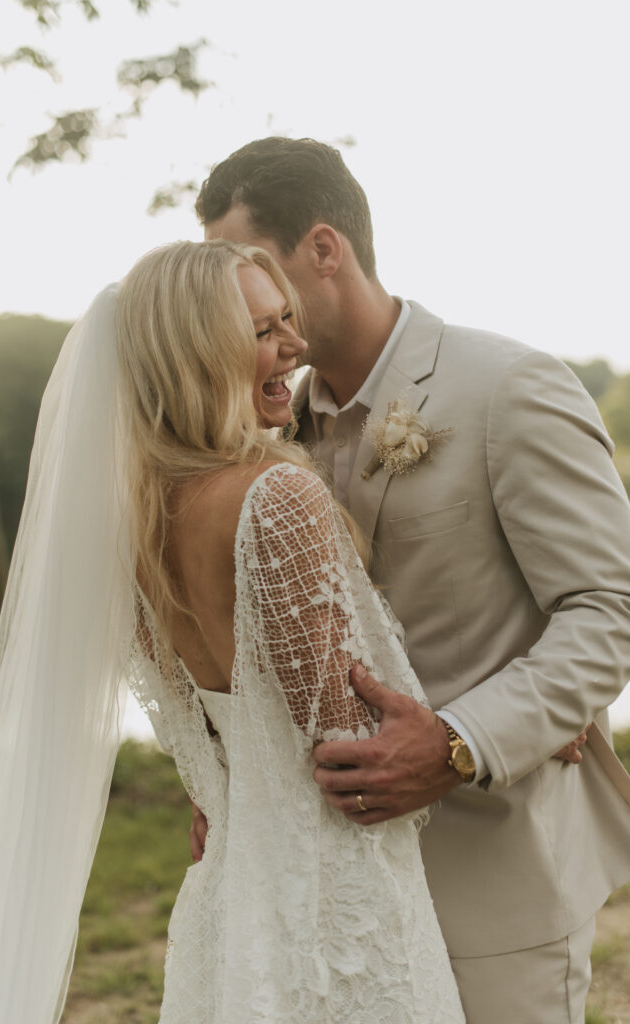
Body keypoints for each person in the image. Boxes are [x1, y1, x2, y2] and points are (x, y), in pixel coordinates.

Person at [0, 239, 467, 1022]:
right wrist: (479, 735)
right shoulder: (276, 496)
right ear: (196, 353)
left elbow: (213, 733)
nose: (294, 346)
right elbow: (346, 740)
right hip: (333, 904)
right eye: (263, 331)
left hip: (229, 889)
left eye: (288, 320)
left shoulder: (132, 527)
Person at [196, 136, 630, 1023]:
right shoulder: (265, 438)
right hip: (334, 890)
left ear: (325, 249)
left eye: (252, 265)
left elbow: (609, 608)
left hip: (497, 872)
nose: (243, 304)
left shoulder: (508, 387)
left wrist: (466, 736)